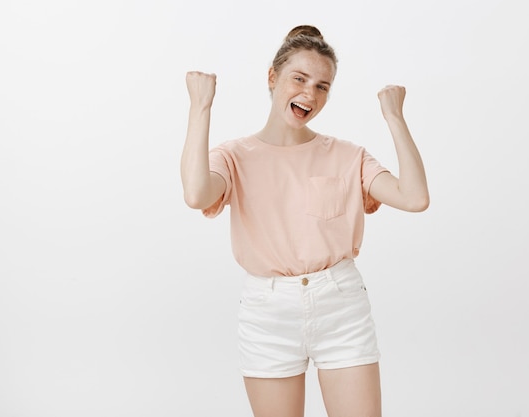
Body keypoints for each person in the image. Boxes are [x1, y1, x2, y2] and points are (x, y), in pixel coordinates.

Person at [181, 25, 429, 417]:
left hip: (341, 306)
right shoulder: (233, 156)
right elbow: (197, 194)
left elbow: (415, 198)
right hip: (268, 312)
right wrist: (200, 108)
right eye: (300, 79)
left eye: (322, 86)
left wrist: (395, 118)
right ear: (272, 77)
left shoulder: (347, 156)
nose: (309, 94)